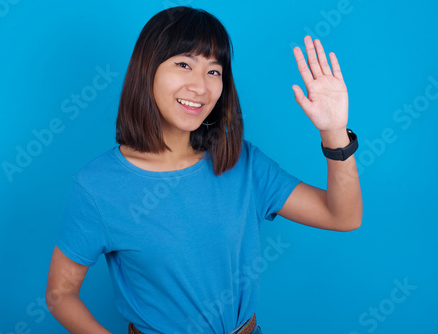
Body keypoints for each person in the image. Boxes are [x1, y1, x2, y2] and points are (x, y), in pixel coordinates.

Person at [46, 6, 362, 334]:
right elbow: (60, 293)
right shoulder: (97, 186)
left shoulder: (242, 162)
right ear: (147, 70)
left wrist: (334, 132)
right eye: (184, 64)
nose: (201, 87)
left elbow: (343, 216)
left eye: (214, 71)